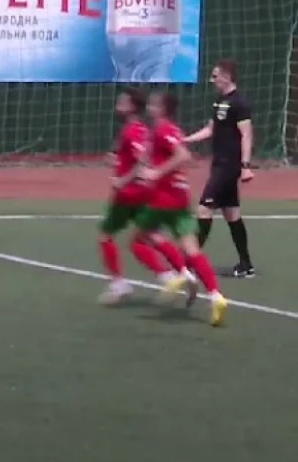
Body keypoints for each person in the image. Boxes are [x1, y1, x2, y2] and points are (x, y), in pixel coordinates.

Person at [97, 88, 196, 306]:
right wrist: (118, 161)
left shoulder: (132, 131)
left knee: (106, 236)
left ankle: (121, 283)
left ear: (132, 107)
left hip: (128, 194)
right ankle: (181, 273)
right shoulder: (142, 129)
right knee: (151, 236)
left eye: (122, 102)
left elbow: (142, 159)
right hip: (144, 193)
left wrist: (123, 179)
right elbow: (140, 157)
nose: (118, 105)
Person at [138, 91, 229, 327]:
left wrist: (156, 173)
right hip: (180, 196)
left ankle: (182, 273)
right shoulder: (173, 129)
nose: (149, 107)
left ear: (162, 108)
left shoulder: (162, 129)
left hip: (164, 195)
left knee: (144, 234)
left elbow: (183, 155)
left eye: (153, 104)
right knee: (192, 250)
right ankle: (216, 296)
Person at [184, 59, 256, 278]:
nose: (212, 80)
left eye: (215, 76)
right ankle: (246, 265)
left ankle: (189, 263)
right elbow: (210, 129)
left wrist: (245, 166)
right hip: (219, 164)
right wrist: (185, 140)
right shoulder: (219, 101)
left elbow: (246, 135)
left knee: (204, 209)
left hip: (229, 166)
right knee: (232, 213)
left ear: (226, 76)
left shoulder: (239, 103)